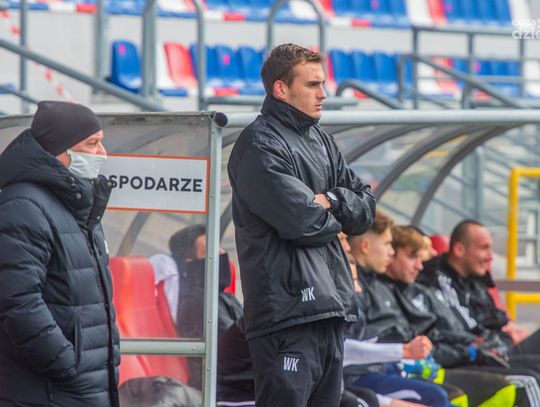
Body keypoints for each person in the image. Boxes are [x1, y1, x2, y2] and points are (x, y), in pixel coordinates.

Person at [227, 43, 376, 406]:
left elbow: (366, 209)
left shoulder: (321, 140)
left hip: (330, 308)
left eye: (322, 84)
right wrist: (333, 212)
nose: (323, 94)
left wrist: (332, 200)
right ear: (281, 88)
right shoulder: (259, 144)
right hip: (287, 316)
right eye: (312, 85)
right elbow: (305, 222)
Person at [0, 101, 120, 406]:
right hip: (51, 389)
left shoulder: (79, 205)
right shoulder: (23, 205)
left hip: (83, 385)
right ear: (60, 151)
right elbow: (17, 300)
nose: (102, 153)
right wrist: (66, 364)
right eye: (92, 143)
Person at [386, 225, 518, 407]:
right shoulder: (423, 285)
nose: (420, 264)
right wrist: (472, 351)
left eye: (419, 256)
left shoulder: (416, 290)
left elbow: (443, 333)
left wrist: (479, 344)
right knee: (516, 384)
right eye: (413, 256)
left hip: (453, 358)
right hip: (430, 366)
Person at [346, 211, 463, 407]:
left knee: (449, 396)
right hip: (358, 376)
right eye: (387, 244)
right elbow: (348, 347)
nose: (391, 252)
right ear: (365, 246)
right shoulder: (352, 287)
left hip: (387, 368)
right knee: (438, 396)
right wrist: (403, 352)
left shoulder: (380, 286)